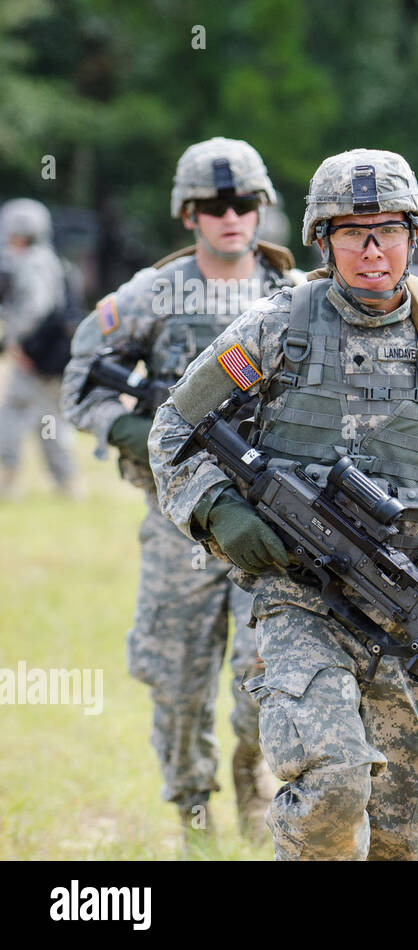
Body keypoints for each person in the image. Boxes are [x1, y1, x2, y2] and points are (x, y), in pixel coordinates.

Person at [148, 148, 418, 860]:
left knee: (408, 824)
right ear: (322, 239)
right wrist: (220, 511)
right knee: (334, 786)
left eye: (389, 231)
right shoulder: (277, 326)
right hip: (301, 600)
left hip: (414, 609)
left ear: (415, 235)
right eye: (353, 232)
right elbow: (175, 432)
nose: (373, 250)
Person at [60, 138, 297, 849]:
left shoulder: (293, 295)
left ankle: (255, 783)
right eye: (214, 206)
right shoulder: (150, 294)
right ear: (187, 214)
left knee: (270, 673)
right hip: (177, 527)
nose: (231, 217)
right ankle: (193, 810)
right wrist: (156, 443)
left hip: (266, 524)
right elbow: (82, 386)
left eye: (244, 203)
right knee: (178, 678)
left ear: (262, 211)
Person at [0, 198, 79, 499]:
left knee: (26, 416)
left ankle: (18, 478)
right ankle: (65, 482)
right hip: (49, 358)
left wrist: (17, 343)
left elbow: (34, 309)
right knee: (47, 420)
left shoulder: (30, 263)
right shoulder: (53, 261)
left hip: (36, 358)